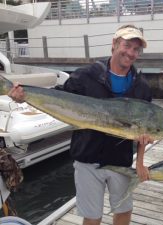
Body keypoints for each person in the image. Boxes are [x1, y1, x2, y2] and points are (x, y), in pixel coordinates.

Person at [8, 24, 153, 225]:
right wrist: (24, 97)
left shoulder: (142, 87)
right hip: (87, 159)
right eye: (127, 45)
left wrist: (139, 161)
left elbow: (145, 128)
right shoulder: (86, 75)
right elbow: (60, 96)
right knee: (92, 216)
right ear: (114, 44)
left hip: (121, 161)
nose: (131, 53)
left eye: (136, 49)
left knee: (123, 210)